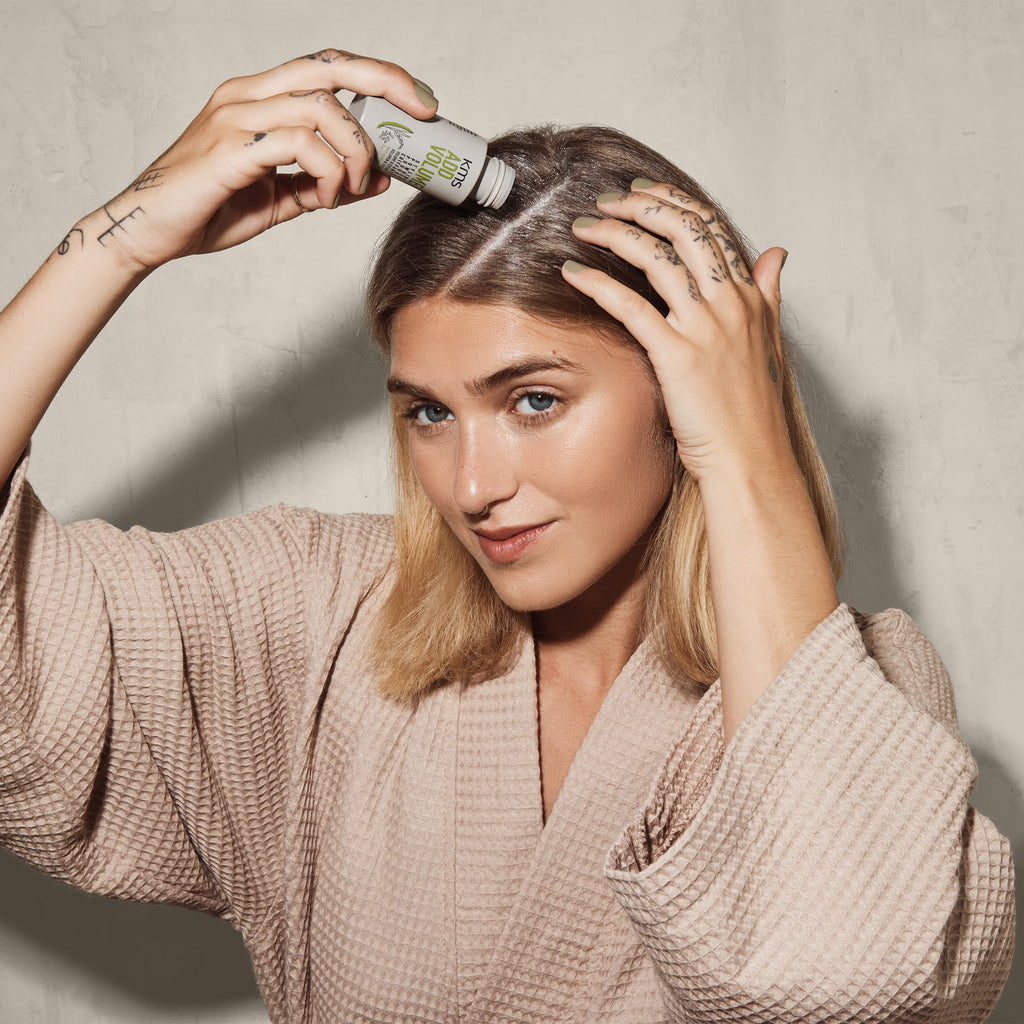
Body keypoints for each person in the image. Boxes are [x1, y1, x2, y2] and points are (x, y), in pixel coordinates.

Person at [0, 48, 1014, 1023]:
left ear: (689, 388)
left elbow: (850, 975)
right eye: (429, 414)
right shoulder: (321, 615)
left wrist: (750, 459)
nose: (473, 487)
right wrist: (120, 237)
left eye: (532, 399)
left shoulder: (866, 686)